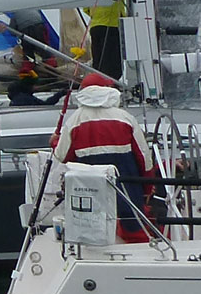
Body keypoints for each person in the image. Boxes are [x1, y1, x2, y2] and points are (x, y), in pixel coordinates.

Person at [54, 84, 157, 243]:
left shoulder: (74, 120)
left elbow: (61, 157)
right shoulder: (125, 118)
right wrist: (148, 187)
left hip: (91, 193)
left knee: (93, 233)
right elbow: (143, 157)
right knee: (135, 227)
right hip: (127, 187)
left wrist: (55, 142)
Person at [87, 0, 126, 80]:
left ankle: (100, 80)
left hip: (95, 26)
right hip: (112, 26)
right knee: (113, 60)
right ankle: (111, 82)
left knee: (98, 58)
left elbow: (86, 9)